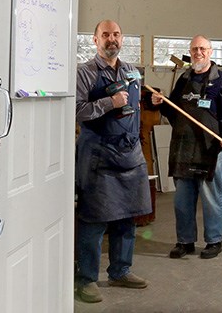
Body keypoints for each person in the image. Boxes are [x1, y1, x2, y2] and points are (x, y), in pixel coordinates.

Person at [75, 20, 152, 303]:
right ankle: (86, 279)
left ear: (122, 39)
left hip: (130, 154)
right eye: (105, 35)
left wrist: (151, 102)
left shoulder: (132, 71)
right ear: (95, 40)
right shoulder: (85, 72)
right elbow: (77, 110)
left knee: (127, 217)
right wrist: (110, 103)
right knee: (94, 219)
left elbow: (136, 106)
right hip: (98, 155)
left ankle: (120, 271)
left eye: (116, 34)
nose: (112, 39)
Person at [152, 35, 222, 260]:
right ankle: (185, 241)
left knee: (212, 197)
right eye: (194, 49)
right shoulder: (184, 79)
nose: (198, 53)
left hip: (210, 148)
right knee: (182, 198)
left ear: (210, 52)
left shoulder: (221, 80)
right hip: (183, 147)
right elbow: (173, 110)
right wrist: (161, 103)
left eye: (202, 49)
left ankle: (214, 241)